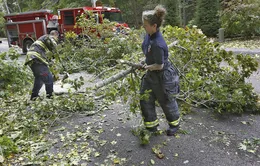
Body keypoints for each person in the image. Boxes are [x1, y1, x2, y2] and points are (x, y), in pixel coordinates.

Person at [140, 5, 180, 136]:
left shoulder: (158, 43)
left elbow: (160, 65)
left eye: (146, 25)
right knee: (145, 97)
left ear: (154, 26)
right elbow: (148, 52)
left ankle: (175, 125)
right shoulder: (149, 35)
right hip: (151, 74)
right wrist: (144, 62)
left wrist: (147, 67)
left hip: (162, 75)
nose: (144, 27)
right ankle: (151, 126)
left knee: (166, 101)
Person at [25, 30, 59, 100]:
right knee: (48, 77)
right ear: (55, 35)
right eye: (57, 37)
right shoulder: (48, 37)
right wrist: (55, 49)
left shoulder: (43, 40)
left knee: (39, 79)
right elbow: (52, 43)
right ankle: (50, 96)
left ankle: (34, 97)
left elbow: (48, 59)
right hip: (36, 59)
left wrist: (54, 68)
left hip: (31, 59)